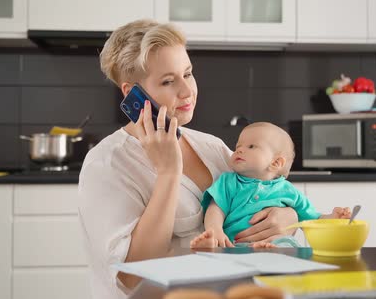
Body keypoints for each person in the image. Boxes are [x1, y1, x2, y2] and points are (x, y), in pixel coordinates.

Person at [77, 19, 299, 299]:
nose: (187, 91)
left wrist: (288, 217)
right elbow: (134, 276)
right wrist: (168, 173)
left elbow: (265, 191)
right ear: (132, 92)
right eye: (169, 81)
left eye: (188, 73)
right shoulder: (107, 164)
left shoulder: (212, 147)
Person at [190, 122, 351, 249]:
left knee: (287, 245)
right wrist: (215, 230)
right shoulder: (228, 182)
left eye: (251, 146)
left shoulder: (289, 191)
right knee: (219, 246)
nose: (239, 151)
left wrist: (332, 218)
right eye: (238, 146)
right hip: (233, 245)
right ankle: (210, 246)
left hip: (275, 244)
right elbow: (215, 209)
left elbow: (312, 219)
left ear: (275, 162)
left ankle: (268, 251)